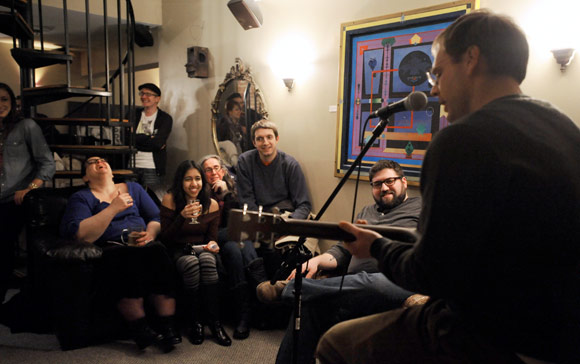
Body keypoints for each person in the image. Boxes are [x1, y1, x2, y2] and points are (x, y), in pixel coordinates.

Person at [316, 10, 580, 364]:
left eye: (438, 72)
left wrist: (377, 247)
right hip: (563, 334)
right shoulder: (563, 127)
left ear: (471, 59)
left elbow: (431, 276)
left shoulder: (462, 139)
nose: (435, 88)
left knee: (336, 345)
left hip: (500, 335)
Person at [265, 159, 422, 364]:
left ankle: (293, 288)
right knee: (310, 305)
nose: (384, 188)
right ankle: (303, 290)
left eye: (390, 181)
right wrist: (318, 261)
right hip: (353, 286)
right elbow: (343, 249)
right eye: (377, 184)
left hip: (398, 281)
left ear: (404, 182)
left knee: (373, 281)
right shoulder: (367, 212)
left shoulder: (422, 207)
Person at [59, 156, 180, 352]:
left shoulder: (134, 188)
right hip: (112, 249)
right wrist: (113, 208)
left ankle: (167, 328)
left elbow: (155, 217)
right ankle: (140, 329)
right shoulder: (82, 197)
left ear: (112, 171)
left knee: (159, 252)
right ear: (85, 178)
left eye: (102, 160)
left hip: (144, 246)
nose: (100, 162)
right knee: (125, 260)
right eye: (92, 162)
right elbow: (80, 234)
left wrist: (150, 233)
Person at [159, 160, 232, 347]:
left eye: (198, 179)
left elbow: (212, 238)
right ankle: (195, 323)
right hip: (178, 249)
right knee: (191, 263)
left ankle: (215, 324)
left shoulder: (212, 204)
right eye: (188, 179)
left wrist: (213, 245)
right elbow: (166, 239)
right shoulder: (170, 199)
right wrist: (181, 217)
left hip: (202, 249)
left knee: (208, 260)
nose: (194, 184)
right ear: (180, 181)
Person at [199, 154, 268, 340]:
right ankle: (260, 305)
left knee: (236, 250)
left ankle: (244, 315)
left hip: (234, 237)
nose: (213, 173)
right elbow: (210, 225)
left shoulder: (234, 187)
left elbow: (240, 217)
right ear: (203, 173)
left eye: (216, 168)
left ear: (222, 170)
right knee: (239, 240)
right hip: (214, 235)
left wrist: (227, 193)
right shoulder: (200, 191)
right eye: (208, 169)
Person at [0, 83, 55, 303]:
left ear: (12, 103)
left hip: (15, 199)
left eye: (4, 99)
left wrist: (29, 188)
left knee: (3, 250)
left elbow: (47, 164)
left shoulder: (26, 126)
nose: (0, 104)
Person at [236, 120, 312, 220]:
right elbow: (246, 202)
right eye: (260, 139)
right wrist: (262, 224)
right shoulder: (244, 162)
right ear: (254, 142)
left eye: (269, 137)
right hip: (257, 219)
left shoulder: (291, 165)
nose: (265, 142)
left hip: (285, 219)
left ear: (277, 139)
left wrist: (288, 225)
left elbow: (304, 205)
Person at [134, 83, 173, 202]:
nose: (144, 97)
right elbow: (126, 139)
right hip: (132, 165)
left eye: (148, 94)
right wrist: (149, 138)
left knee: (151, 201)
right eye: (142, 93)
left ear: (157, 98)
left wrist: (137, 138)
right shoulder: (133, 115)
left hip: (152, 167)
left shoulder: (165, 118)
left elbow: (157, 143)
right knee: (131, 200)